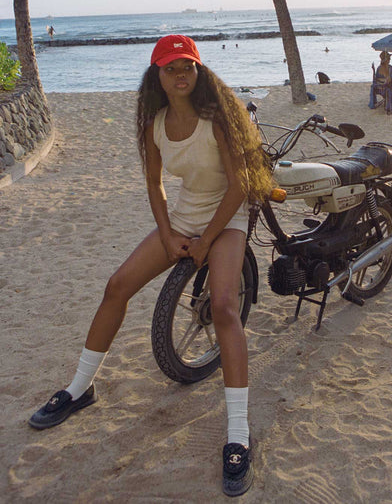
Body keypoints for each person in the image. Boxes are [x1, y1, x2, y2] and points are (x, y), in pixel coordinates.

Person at [28, 35, 272, 497]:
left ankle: (238, 435)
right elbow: (155, 184)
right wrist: (167, 234)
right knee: (117, 285)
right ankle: (79, 388)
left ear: (198, 73)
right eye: (170, 68)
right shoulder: (155, 123)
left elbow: (240, 186)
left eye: (187, 67)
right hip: (183, 217)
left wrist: (207, 240)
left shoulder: (216, 119)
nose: (180, 75)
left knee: (223, 306)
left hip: (228, 214)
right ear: (156, 76)